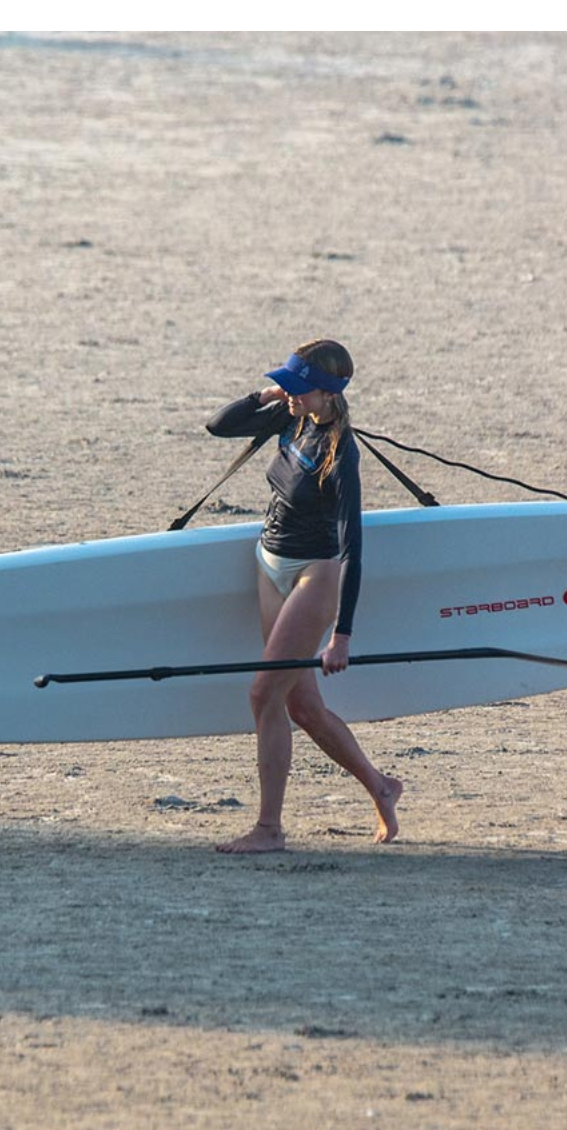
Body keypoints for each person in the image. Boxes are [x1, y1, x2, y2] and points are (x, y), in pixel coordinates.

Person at [205, 338, 403, 853]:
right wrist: (266, 396)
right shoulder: (290, 418)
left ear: (327, 393)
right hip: (269, 562)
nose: (290, 395)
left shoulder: (342, 456)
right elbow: (219, 426)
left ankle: (269, 830)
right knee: (303, 707)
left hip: (314, 576)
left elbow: (353, 549)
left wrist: (342, 636)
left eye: (298, 389)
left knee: (262, 694)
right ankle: (381, 786)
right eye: (288, 386)